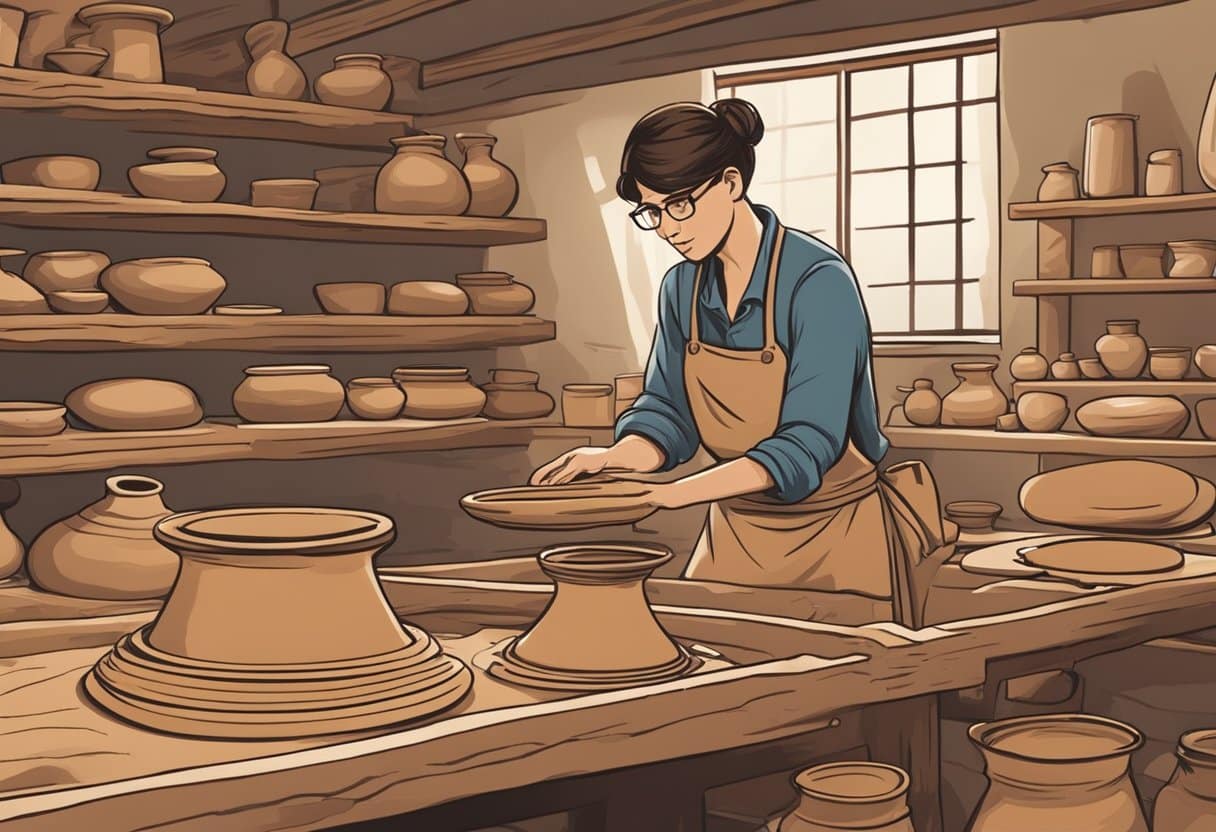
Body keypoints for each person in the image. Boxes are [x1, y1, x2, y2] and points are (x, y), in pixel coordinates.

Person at [530, 98, 942, 624]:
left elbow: (808, 442)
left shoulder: (817, 281)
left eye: (679, 203)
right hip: (735, 536)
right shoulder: (683, 287)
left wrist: (674, 496)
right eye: (651, 211)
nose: (666, 228)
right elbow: (668, 416)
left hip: (836, 537)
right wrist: (612, 457)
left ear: (730, 183)